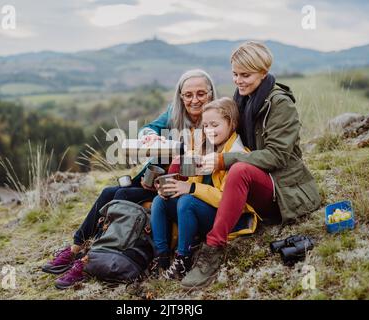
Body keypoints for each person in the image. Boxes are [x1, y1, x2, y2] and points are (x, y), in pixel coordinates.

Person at [41, 69, 218, 289]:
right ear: (180, 96)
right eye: (188, 94)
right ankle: (76, 248)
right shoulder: (174, 112)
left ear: (211, 93)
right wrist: (149, 137)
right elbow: (148, 128)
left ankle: (91, 257)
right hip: (159, 180)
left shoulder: (216, 119)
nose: (194, 100)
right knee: (108, 193)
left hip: (183, 189)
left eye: (201, 94)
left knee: (122, 195)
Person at [181, 41, 321, 289]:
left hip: (280, 188)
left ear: (263, 72)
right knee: (217, 167)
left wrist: (224, 160)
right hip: (250, 182)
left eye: (245, 75)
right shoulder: (242, 99)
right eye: (235, 74)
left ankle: (213, 250)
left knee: (239, 169)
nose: (239, 80)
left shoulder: (280, 104)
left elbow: (277, 156)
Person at [150, 97, 253, 280]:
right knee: (160, 201)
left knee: (187, 201)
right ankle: (162, 257)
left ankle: (184, 258)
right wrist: (171, 187)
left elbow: (226, 199)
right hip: (202, 212)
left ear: (232, 124)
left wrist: (190, 187)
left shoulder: (238, 156)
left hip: (229, 219)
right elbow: (188, 180)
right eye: (205, 125)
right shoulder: (204, 149)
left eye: (215, 124)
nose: (209, 130)